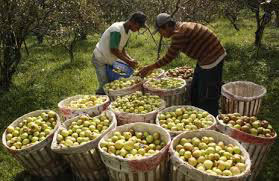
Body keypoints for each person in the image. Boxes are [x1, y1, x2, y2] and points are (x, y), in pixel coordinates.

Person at [138, 13, 226, 116]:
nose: (161, 34)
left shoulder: (179, 33)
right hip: (205, 58)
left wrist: (149, 68)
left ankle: (211, 118)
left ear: (166, 26)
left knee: (207, 94)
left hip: (212, 59)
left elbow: (168, 57)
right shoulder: (181, 26)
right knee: (195, 90)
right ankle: (198, 114)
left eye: (160, 31)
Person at [92, 11, 147, 95]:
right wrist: (128, 61)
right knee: (104, 83)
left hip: (109, 58)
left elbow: (122, 48)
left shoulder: (128, 32)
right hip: (100, 58)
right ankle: (100, 96)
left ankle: (111, 98)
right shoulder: (117, 30)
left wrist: (130, 59)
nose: (138, 30)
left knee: (111, 82)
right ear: (132, 22)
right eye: (138, 27)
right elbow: (114, 50)